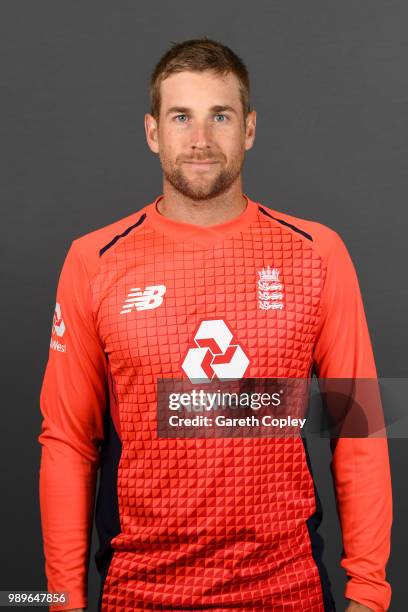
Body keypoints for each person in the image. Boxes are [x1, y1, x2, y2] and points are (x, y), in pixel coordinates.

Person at [38, 38, 392, 612]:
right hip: (139, 592)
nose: (200, 139)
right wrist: (59, 600)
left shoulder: (317, 252)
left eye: (219, 116)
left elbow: (361, 426)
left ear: (248, 128)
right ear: (153, 132)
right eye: (182, 117)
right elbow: (68, 442)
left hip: (288, 589)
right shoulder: (93, 260)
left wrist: (370, 594)